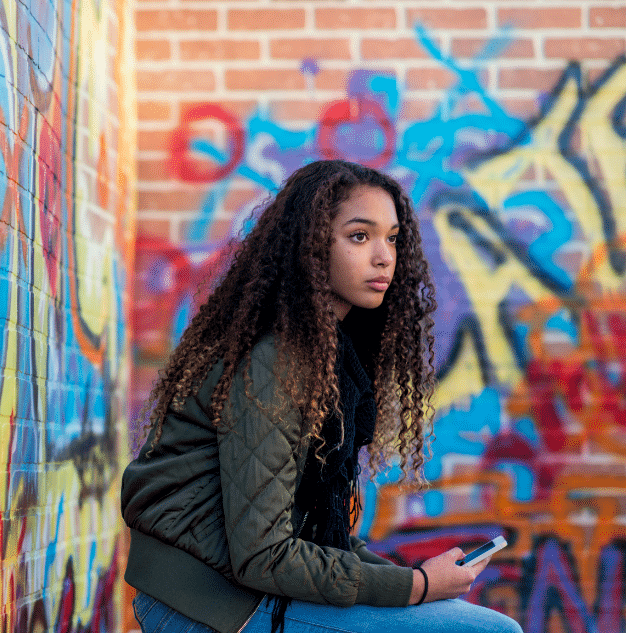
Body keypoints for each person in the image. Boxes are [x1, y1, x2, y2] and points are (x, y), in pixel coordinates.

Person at [120, 160, 522, 633]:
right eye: (359, 236)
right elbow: (266, 555)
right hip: (209, 604)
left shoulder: (330, 359)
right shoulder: (277, 362)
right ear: (310, 247)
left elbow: (316, 534)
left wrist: (413, 581)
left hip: (243, 589)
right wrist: (415, 588)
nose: (383, 256)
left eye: (392, 238)